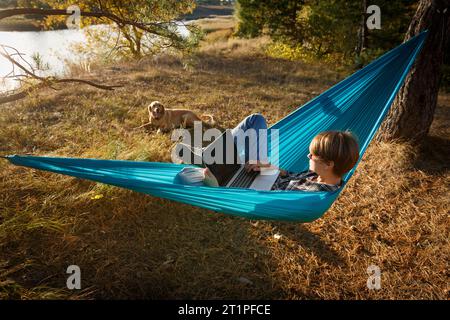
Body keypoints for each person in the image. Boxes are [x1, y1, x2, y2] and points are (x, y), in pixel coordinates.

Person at [179, 113, 360, 192]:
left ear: (329, 164)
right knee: (255, 120)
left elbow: (264, 202)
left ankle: (209, 159)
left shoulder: (316, 195)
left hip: (247, 189)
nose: (308, 156)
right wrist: (266, 167)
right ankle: (208, 154)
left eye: (313, 156)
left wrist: (216, 189)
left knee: (184, 177)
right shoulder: (319, 174)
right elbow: (288, 175)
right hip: (263, 173)